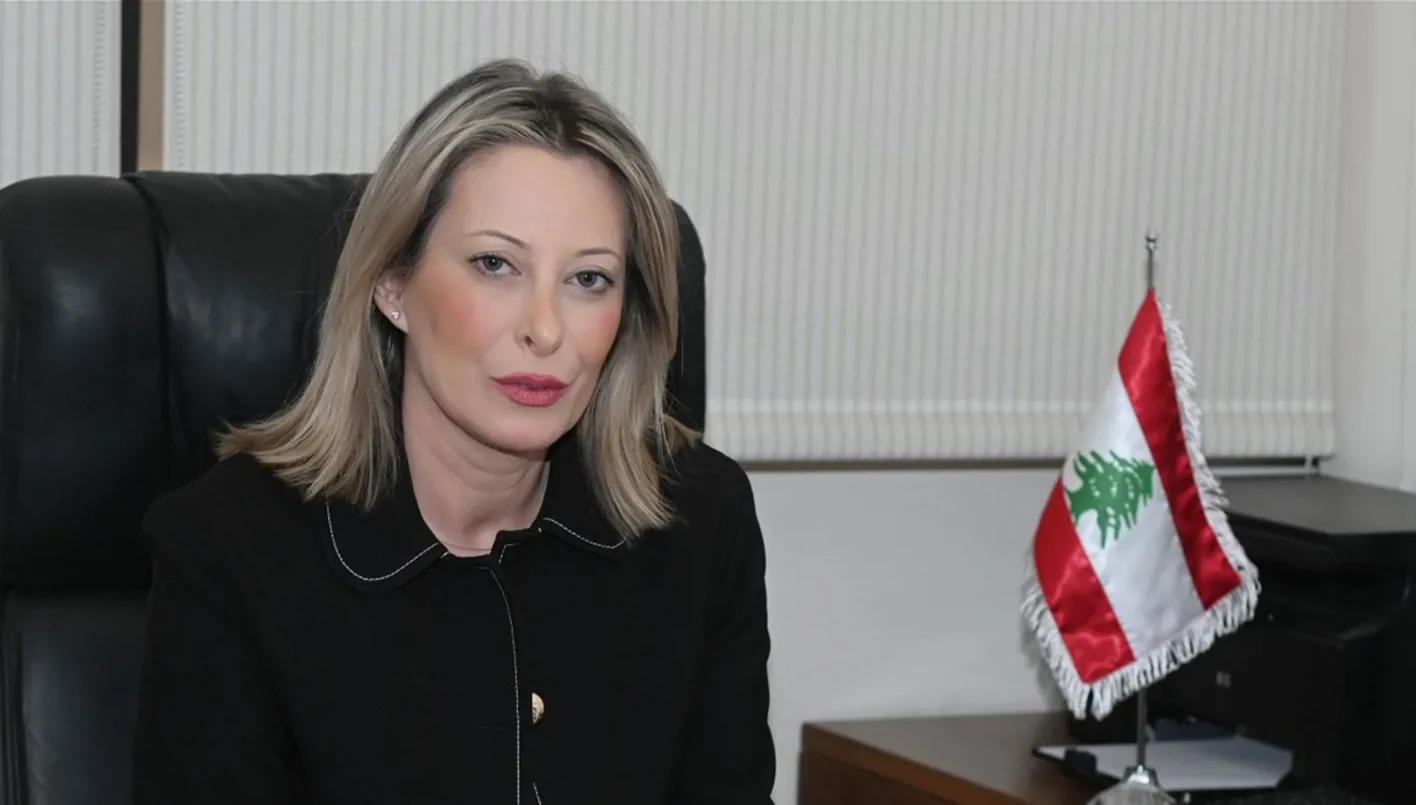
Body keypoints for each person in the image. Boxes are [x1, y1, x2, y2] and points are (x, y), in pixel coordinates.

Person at [132, 59, 774, 805]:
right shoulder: (228, 547)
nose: (545, 329)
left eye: (588, 279)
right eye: (495, 264)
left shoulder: (700, 519)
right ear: (393, 283)